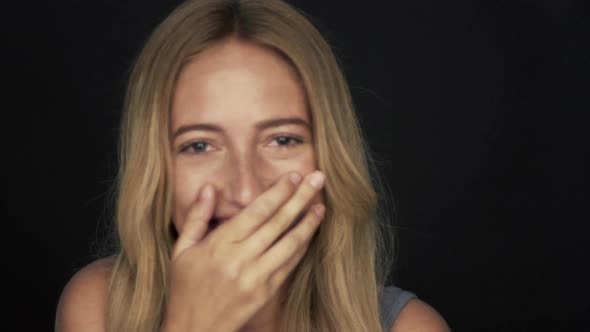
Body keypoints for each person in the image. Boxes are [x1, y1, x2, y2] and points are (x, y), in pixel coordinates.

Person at [55, 0, 450, 331]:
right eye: (200, 145)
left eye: (282, 140)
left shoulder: (409, 327)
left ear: (330, 156)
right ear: (157, 171)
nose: (244, 192)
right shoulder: (98, 307)